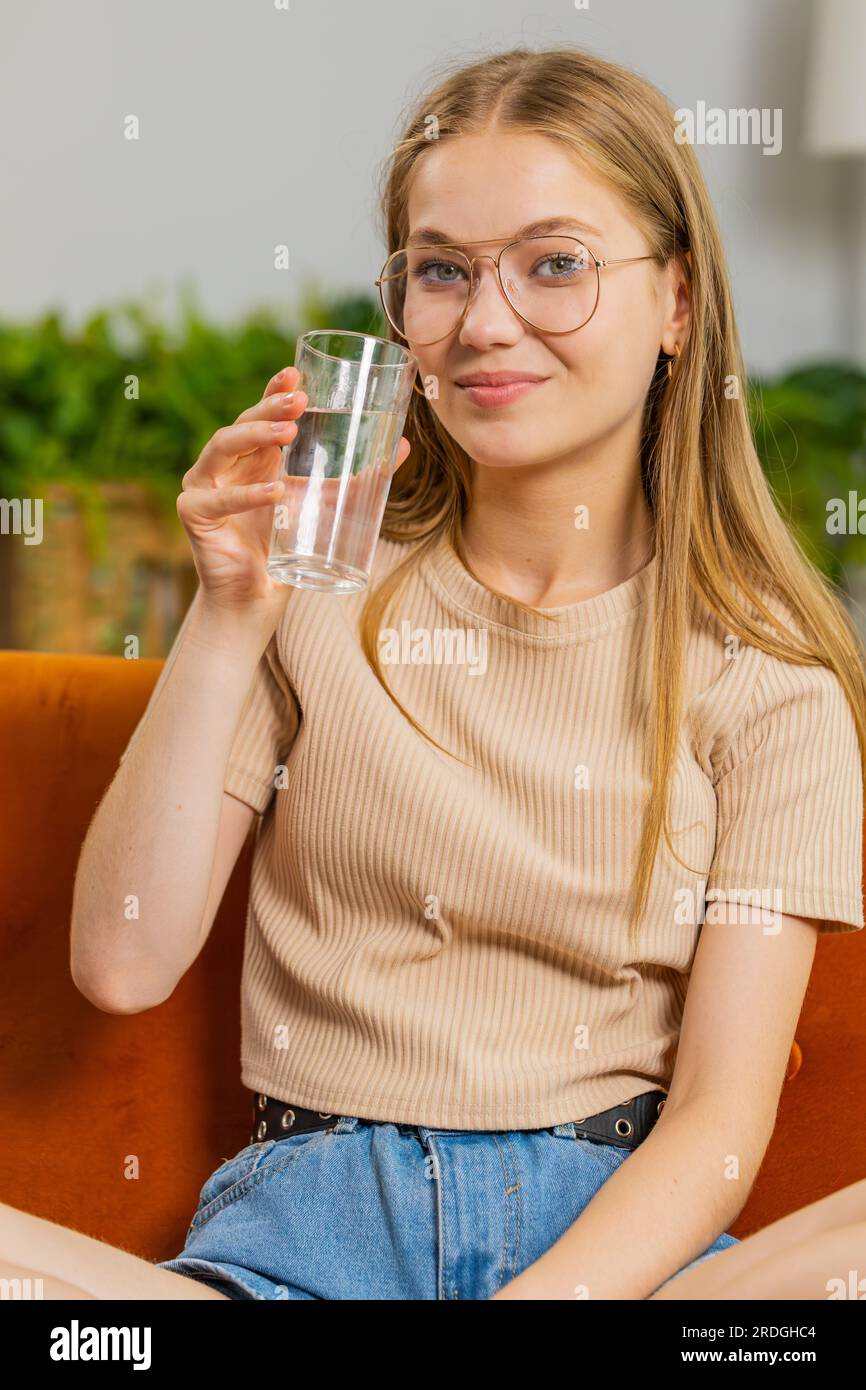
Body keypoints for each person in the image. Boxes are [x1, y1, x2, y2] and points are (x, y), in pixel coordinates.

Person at [4, 45, 865, 1301]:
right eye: (441, 270)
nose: (483, 322)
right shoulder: (307, 593)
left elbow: (716, 1129)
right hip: (299, 1254)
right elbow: (122, 962)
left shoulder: (767, 680)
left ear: (675, 302)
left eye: (555, 264)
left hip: (607, 1276)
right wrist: (231, 609)